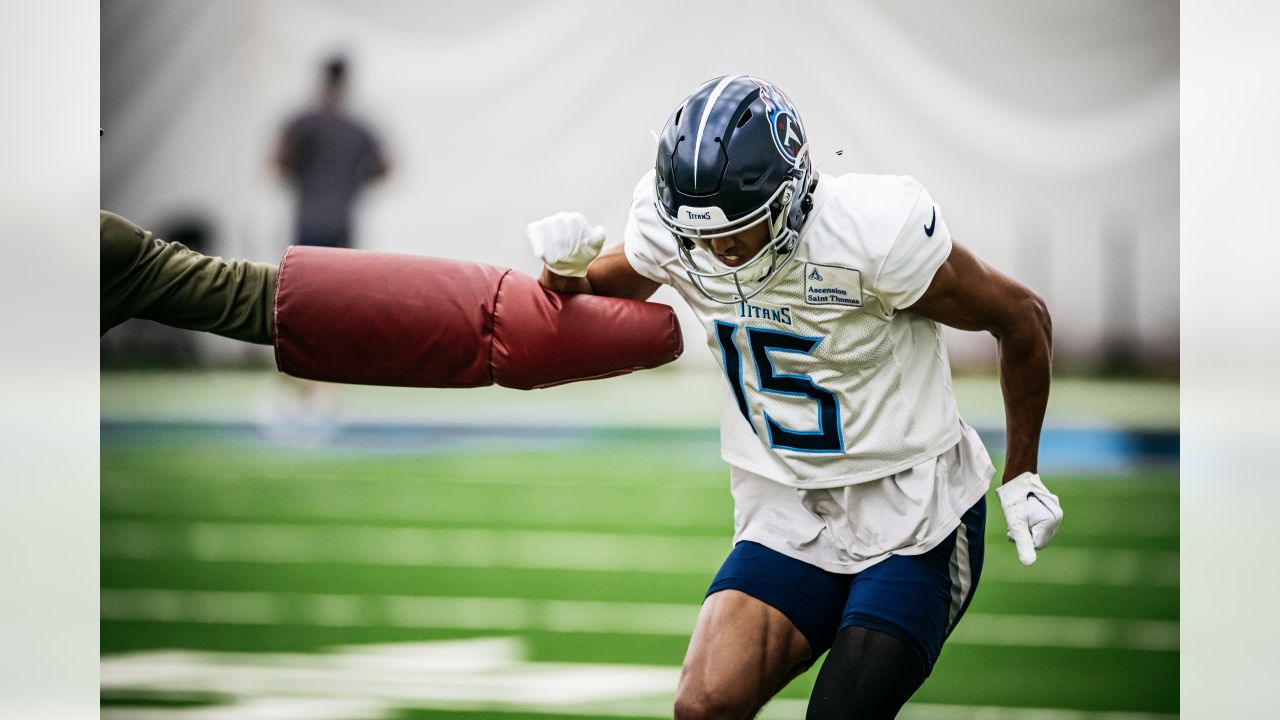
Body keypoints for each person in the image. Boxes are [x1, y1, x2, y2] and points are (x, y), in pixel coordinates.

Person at [527, 75, 1063, 720]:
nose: (718, 253)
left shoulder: (870, 234)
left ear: (790, 198)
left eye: (740, 230)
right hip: (784, 503)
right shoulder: (683, 234)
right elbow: (587, 296)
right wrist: (558, 271)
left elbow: (1021, 317)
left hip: (913, 508)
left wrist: (1023, 471)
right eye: (700, 237)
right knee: (704, 705)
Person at [273, 54, 390, 249]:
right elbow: (385, 168)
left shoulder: (304, 123)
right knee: (339, 276)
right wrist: (357, 182)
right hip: (337, 221)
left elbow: (279, 163)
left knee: (305, 276)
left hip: (312, 219)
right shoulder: (356, 127)